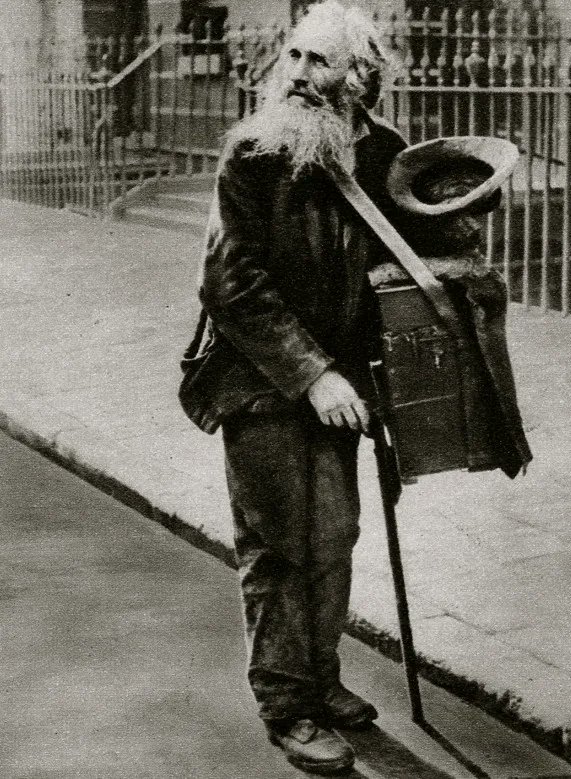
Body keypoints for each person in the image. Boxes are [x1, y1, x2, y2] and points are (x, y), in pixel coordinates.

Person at [184, 1, 486, 774]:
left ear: (360, 77)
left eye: (319, 62)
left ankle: (321, 678)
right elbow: (231, 281)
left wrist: (463, 213)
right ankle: (288, 705)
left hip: (343, 382)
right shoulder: (252, 153)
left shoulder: (380, 150)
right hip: (258, 378)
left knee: (335, 533)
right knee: (280, 542)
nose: (299, 75)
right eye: (294, 57)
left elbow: (415, 235)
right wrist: (312, 373)